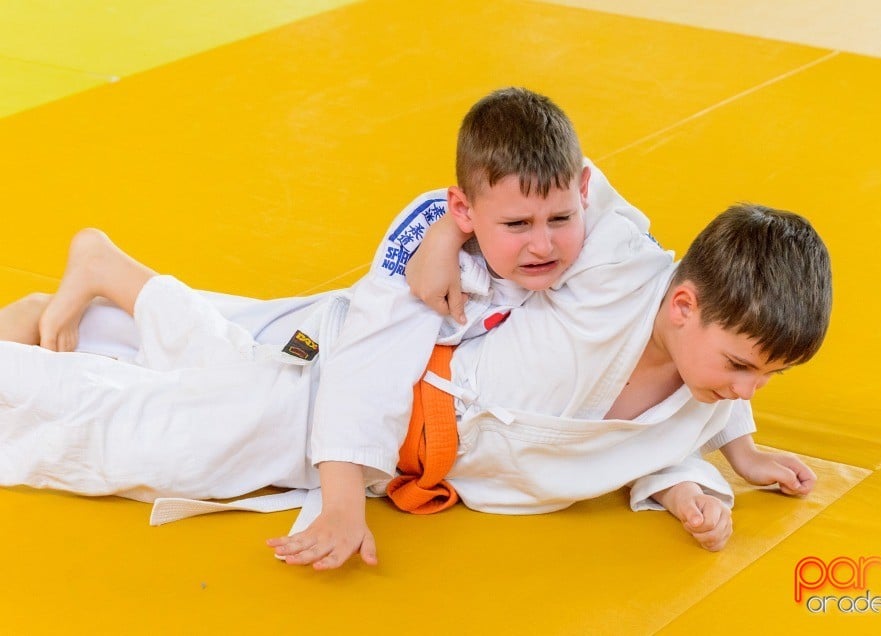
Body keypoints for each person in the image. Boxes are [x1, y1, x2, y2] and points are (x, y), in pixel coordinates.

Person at [0, 88, 827, 568]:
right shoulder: (614, 261)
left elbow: (622, 444)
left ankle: (103, 288)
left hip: (385, 431)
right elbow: (529, 185)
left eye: (762, 380)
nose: (744, 389)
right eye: (742, 367)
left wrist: (728, 463)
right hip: (350, 384)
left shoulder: (703, 382)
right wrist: (442, 233)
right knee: (143, 443)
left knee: (211, 360)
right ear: (682, 304)